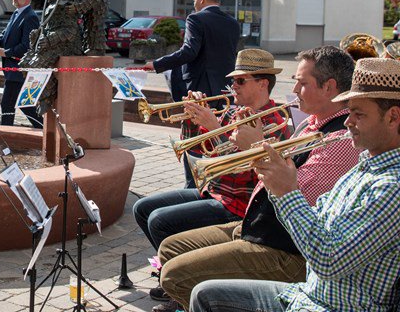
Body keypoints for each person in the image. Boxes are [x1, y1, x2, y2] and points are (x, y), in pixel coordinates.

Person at [154, 46, 359, 312]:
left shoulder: (339, 139)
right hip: (261, 224)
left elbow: (292, 192)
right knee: (170, 248)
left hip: (285, 247)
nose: (294, 91)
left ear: (329, 87)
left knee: (174, 274)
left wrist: (256, 146)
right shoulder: (311, 123)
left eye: (302, 83)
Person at [190, 57, 400, 312]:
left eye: (358, 114)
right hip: (308, 291)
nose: (348, 121)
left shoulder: (391, 187)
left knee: (197, 285)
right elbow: (321, 213)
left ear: (393, 117)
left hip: (331, 305)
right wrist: (282, 188)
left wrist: (287, 192)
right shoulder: (367, 164)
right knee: (205, 295)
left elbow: (329, 260)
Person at [132, 49, 289, 304]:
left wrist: (215, 127)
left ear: (263, 83)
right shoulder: (230, 112)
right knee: (142, 207)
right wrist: (194, 118)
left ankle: (181, 286)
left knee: (160, 221)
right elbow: (194, 150)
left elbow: (247, 171)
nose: (233, 87)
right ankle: (174, 275)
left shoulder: (274, 119)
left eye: (240, 81)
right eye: (233, 81)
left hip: (238, 204)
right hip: (214, 191)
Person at [144, 0, 241, 188]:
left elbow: (189, 51)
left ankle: (193, 186)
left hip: (200, 91)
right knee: (217, 139)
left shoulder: (196, 18)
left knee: (194, 142)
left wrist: (157, 64)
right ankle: (215, 184)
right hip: (226, 91)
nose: (194, 3)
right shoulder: (232, 23)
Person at [0, 0, 41, 127]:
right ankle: (46, 131)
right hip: (12, 69)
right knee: (24, 104)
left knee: (8, 104)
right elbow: (5, 34)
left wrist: (7, 52)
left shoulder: (30, 17)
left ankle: (7, 137)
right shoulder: (17, 13)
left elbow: (27, 46)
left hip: (19, 69)